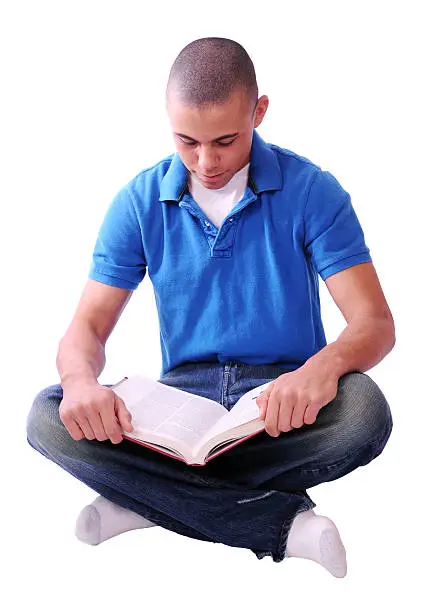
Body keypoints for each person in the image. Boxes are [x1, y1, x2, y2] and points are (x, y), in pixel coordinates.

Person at [26, 37, 395, 578]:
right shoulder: (138, 200)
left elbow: (375, 324)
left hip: (280, 402)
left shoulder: (313, 191)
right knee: (48, 414)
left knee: (364, 411)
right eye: (187, 141)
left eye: (225, 140)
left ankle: (143, 500)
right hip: (180, 400)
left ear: (259, 112)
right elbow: (86, 327)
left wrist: (323, 369)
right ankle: (283, 526)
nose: (206, 161)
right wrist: (81, 381)